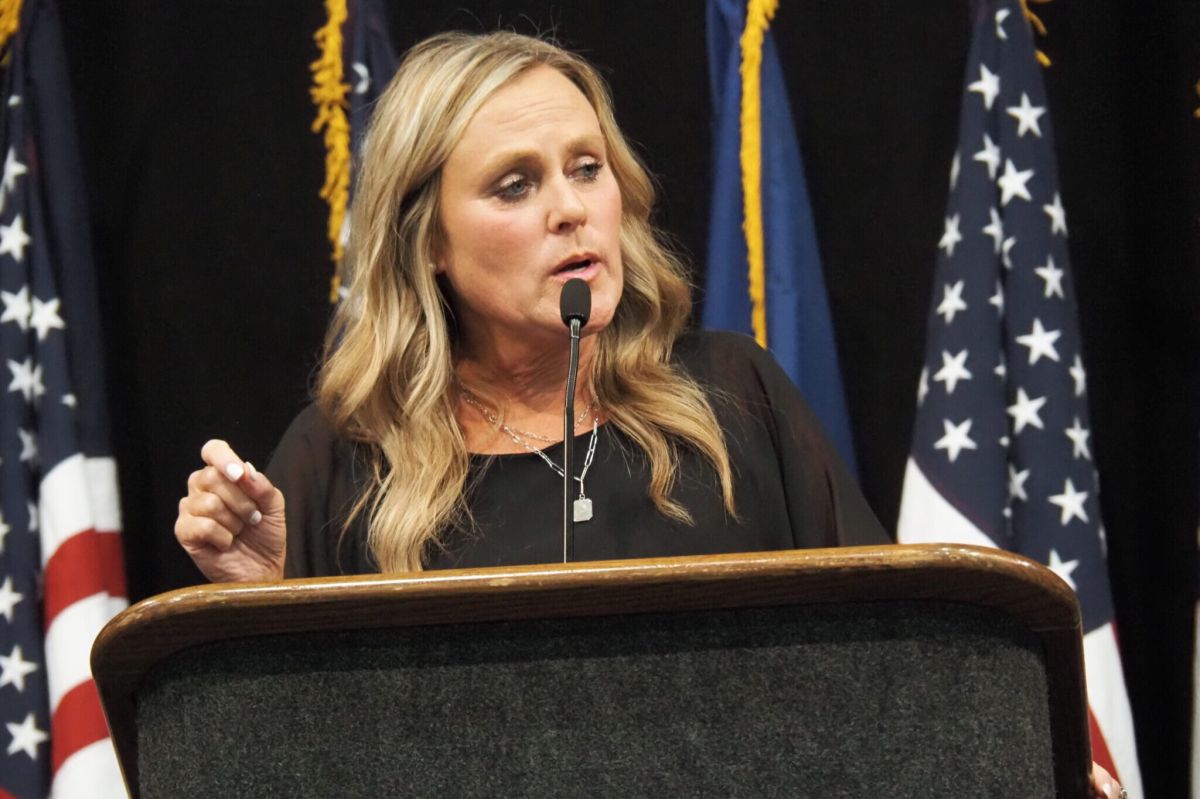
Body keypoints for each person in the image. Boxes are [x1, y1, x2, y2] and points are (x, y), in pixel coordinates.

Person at [172, 31, 1121, 796]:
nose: (571, 209)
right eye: (516, 183)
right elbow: (293, 756)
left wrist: (1027, 770)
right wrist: (264, 593)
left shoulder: (731, 400)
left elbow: (899, 660)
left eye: (587, 168)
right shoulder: (345, 460)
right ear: (430, 246)